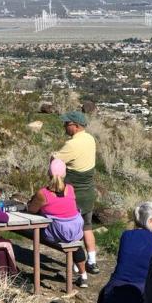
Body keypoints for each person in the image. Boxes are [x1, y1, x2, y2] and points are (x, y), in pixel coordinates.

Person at [27, 158, 88, 288]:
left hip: (56, 233)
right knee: (75, 243)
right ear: (64, 173)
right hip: (75, 230)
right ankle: (83, 276)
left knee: (31, 229)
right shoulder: (70, 189)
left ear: (49, 174)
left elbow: (31, 210)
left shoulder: (43, 193)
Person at [52, 111, 99, 274]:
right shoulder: (90, 139)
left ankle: (77, 263)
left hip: (73, 195)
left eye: (67, 124)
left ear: (76, 126)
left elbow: (56, 162)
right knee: (87, 227)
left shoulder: (72, 144)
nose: (64, 126)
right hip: (88, 192)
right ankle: (92, 260)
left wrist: (53, 157)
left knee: (73, 230)